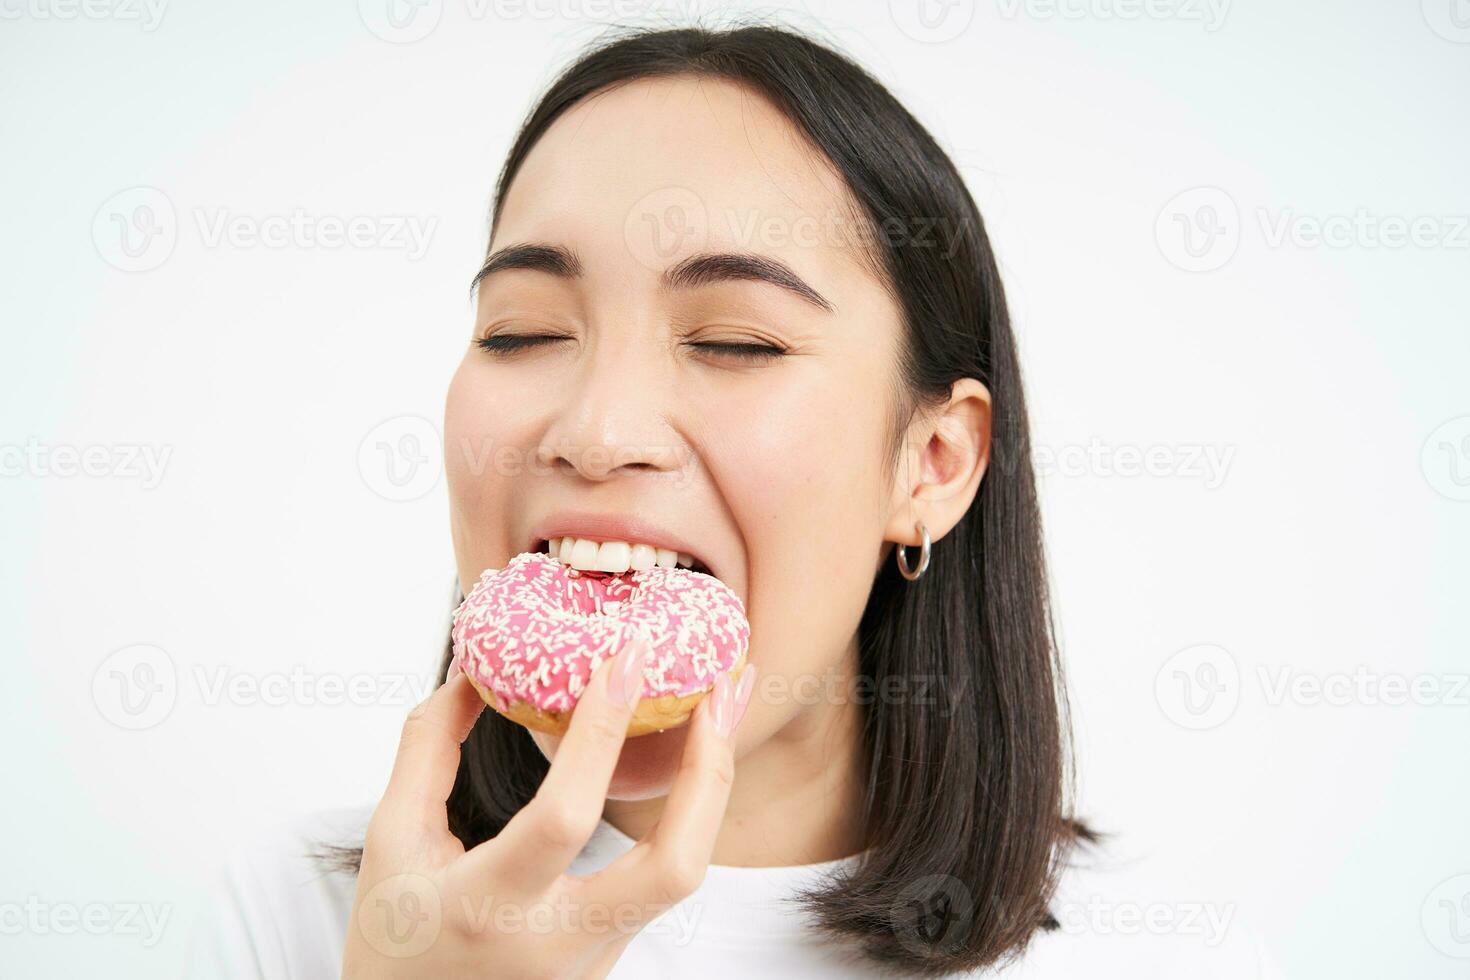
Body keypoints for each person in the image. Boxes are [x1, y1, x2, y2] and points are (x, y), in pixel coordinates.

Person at [187, 23, 1279, 978]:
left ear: (934, 460)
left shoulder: (1162, 951)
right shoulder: (307, 921)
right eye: (520, 330)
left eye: (735, 340)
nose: (597, 431)